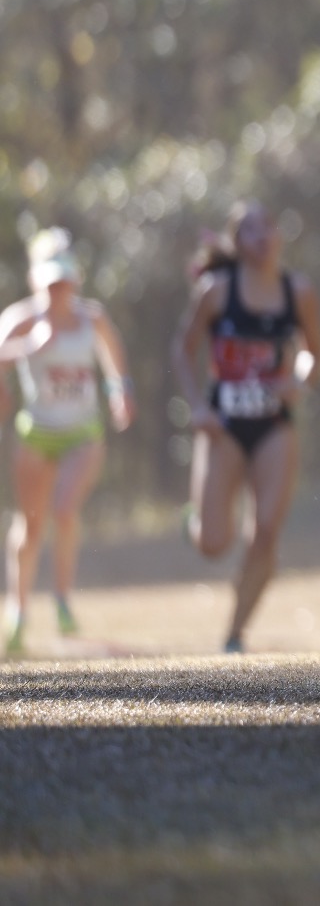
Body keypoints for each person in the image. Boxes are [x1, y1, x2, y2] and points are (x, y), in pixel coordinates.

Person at [172, 202, 320, 653]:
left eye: (269, 227)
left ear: (279, 237)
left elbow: (316, 353)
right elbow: (183, 350)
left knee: (265, 533)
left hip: (274, 425)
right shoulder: (217, 291)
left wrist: (297, 379)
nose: (262, 236)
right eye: (250, 230)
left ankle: (235, 634)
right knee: (214, 544)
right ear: (237, 243)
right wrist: (198, 407)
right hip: (224, 426)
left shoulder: (299, 292)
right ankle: (198, 522)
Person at [0, 230, 133, 654]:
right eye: (51, 281)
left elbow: (115, 361)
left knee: (64, 508)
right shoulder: (20, 318)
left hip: (82, 431)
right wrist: (26, 347)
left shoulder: (92, 317)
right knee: (31, 523)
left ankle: (62, 599)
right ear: (36, 281)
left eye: (65, 281)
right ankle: (18, 610)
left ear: (75, 279)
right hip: (36, 432)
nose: (60, 289)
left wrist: (119, 395)